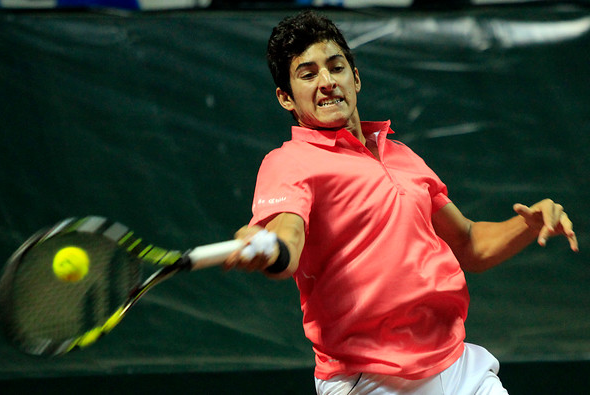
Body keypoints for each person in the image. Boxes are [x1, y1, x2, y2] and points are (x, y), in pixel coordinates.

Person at [223, 10, 578, 395]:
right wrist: (269, 247)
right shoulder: (288, 162)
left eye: (336, 67)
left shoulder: (403, 157)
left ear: (355, 78)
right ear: (286, 98)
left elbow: (470, 243)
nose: (327, 82)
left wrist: (528, 225)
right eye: (308, 74)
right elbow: (288, 234)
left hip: (457, 364)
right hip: (371, 378)